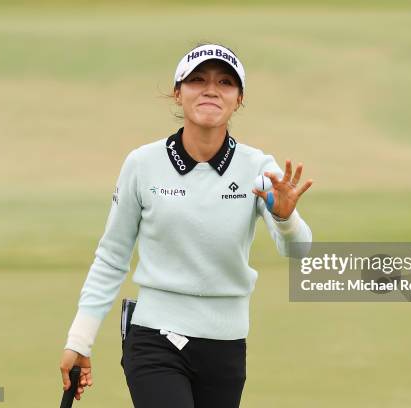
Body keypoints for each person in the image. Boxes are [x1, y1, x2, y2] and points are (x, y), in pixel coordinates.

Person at [59, 43, 313, 408]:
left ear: (238, 99)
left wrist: (285, 218)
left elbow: (299, 252)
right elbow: (112, 258)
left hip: (226, 347)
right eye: (197, 80)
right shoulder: (142, 164)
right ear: (178, 93)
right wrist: (79, 341)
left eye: (225, 82)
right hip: (154, 340)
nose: (211, 89)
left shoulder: (258, 167)